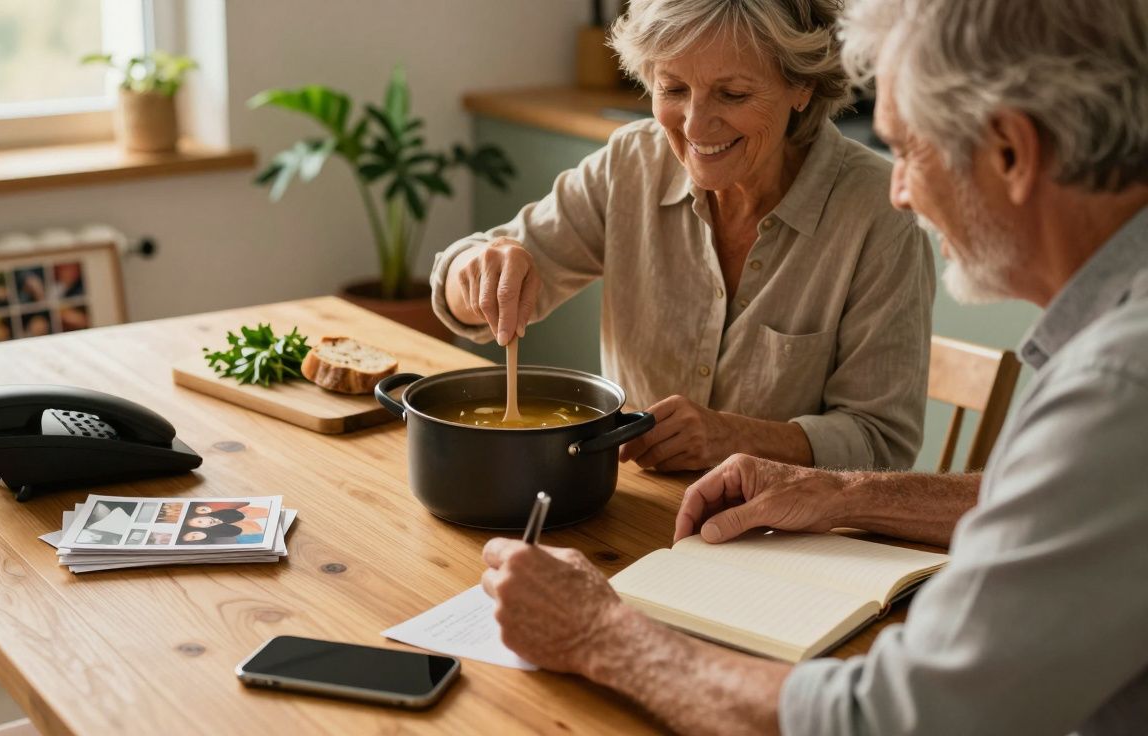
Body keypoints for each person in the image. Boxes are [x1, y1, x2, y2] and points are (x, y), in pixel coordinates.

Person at [480, 0, 1148, 733]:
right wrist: (836, 491)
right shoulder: (1113, 353)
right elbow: (1054, 504)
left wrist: (598, 634)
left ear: (1011, 153)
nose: (901, 192)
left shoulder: (1116, 385)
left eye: (910, 150)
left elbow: (891, 720)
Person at [431, 0, 935, 472]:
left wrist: (734, 437)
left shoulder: (880, 213)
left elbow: (881, 445)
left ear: (801, 87)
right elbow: (468, 289)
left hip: (790, 539)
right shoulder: (632, 163)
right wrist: (475, 272)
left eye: (732, 94)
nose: (695, 124)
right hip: (637, 511)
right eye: (672, 89)